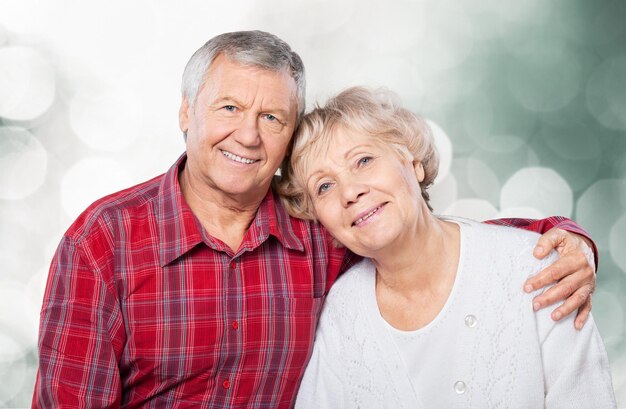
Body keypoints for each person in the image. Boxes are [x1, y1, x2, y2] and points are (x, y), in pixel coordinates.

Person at [33, 31, 598, 408]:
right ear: (186, 112)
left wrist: (565, 240)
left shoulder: (318, 231)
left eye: (272, 117)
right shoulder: (103, 242)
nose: (248, 135)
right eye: (229, 108)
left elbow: (422, 237)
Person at [279, 86, 616, 408]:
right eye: (324, 186)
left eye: (364, 160)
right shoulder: (342, 312)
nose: (349, 192)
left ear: (414, 164)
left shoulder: (537, 270)